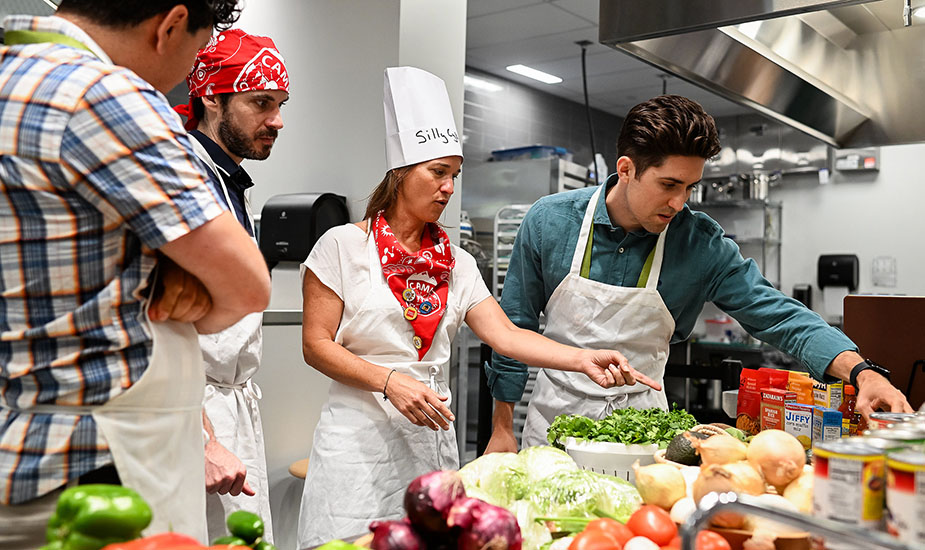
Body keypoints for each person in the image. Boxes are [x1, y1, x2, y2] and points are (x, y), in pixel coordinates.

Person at [295, 67, 659, 547]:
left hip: (429, 437)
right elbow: (316, 346)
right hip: (355, 442)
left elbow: (506, 335)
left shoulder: (457, 263)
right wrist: (389, 381)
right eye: (438, 173)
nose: (449, 187)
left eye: (454, 175)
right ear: (402, 173)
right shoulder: (341, 247)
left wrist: (581, 358)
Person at [487, 94, 914, 451]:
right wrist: (502, 429)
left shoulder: (699, 243)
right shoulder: (551, 222)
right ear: (626, 169)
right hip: (552, 429)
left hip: (644, 435)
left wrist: (863, 372)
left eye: (690, 187)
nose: (679, 203)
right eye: (669, 185)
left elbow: (782, 317)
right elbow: (513, 327)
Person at [0, 1, 273, 548]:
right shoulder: (98, 93)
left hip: (29, 445)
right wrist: (190, 291)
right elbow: (248, 285)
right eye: (193, 51)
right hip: (99, 455)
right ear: (169, 25)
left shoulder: (12, 72)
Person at [174, 28, 289, 544]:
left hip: (232, 405)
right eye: (261, 103)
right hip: (193, 412)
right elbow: (158, 326)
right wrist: (199, 438)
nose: (277, 120)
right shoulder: (183, 178)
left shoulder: (227, 182)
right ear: (211, 99)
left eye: (281, 104)